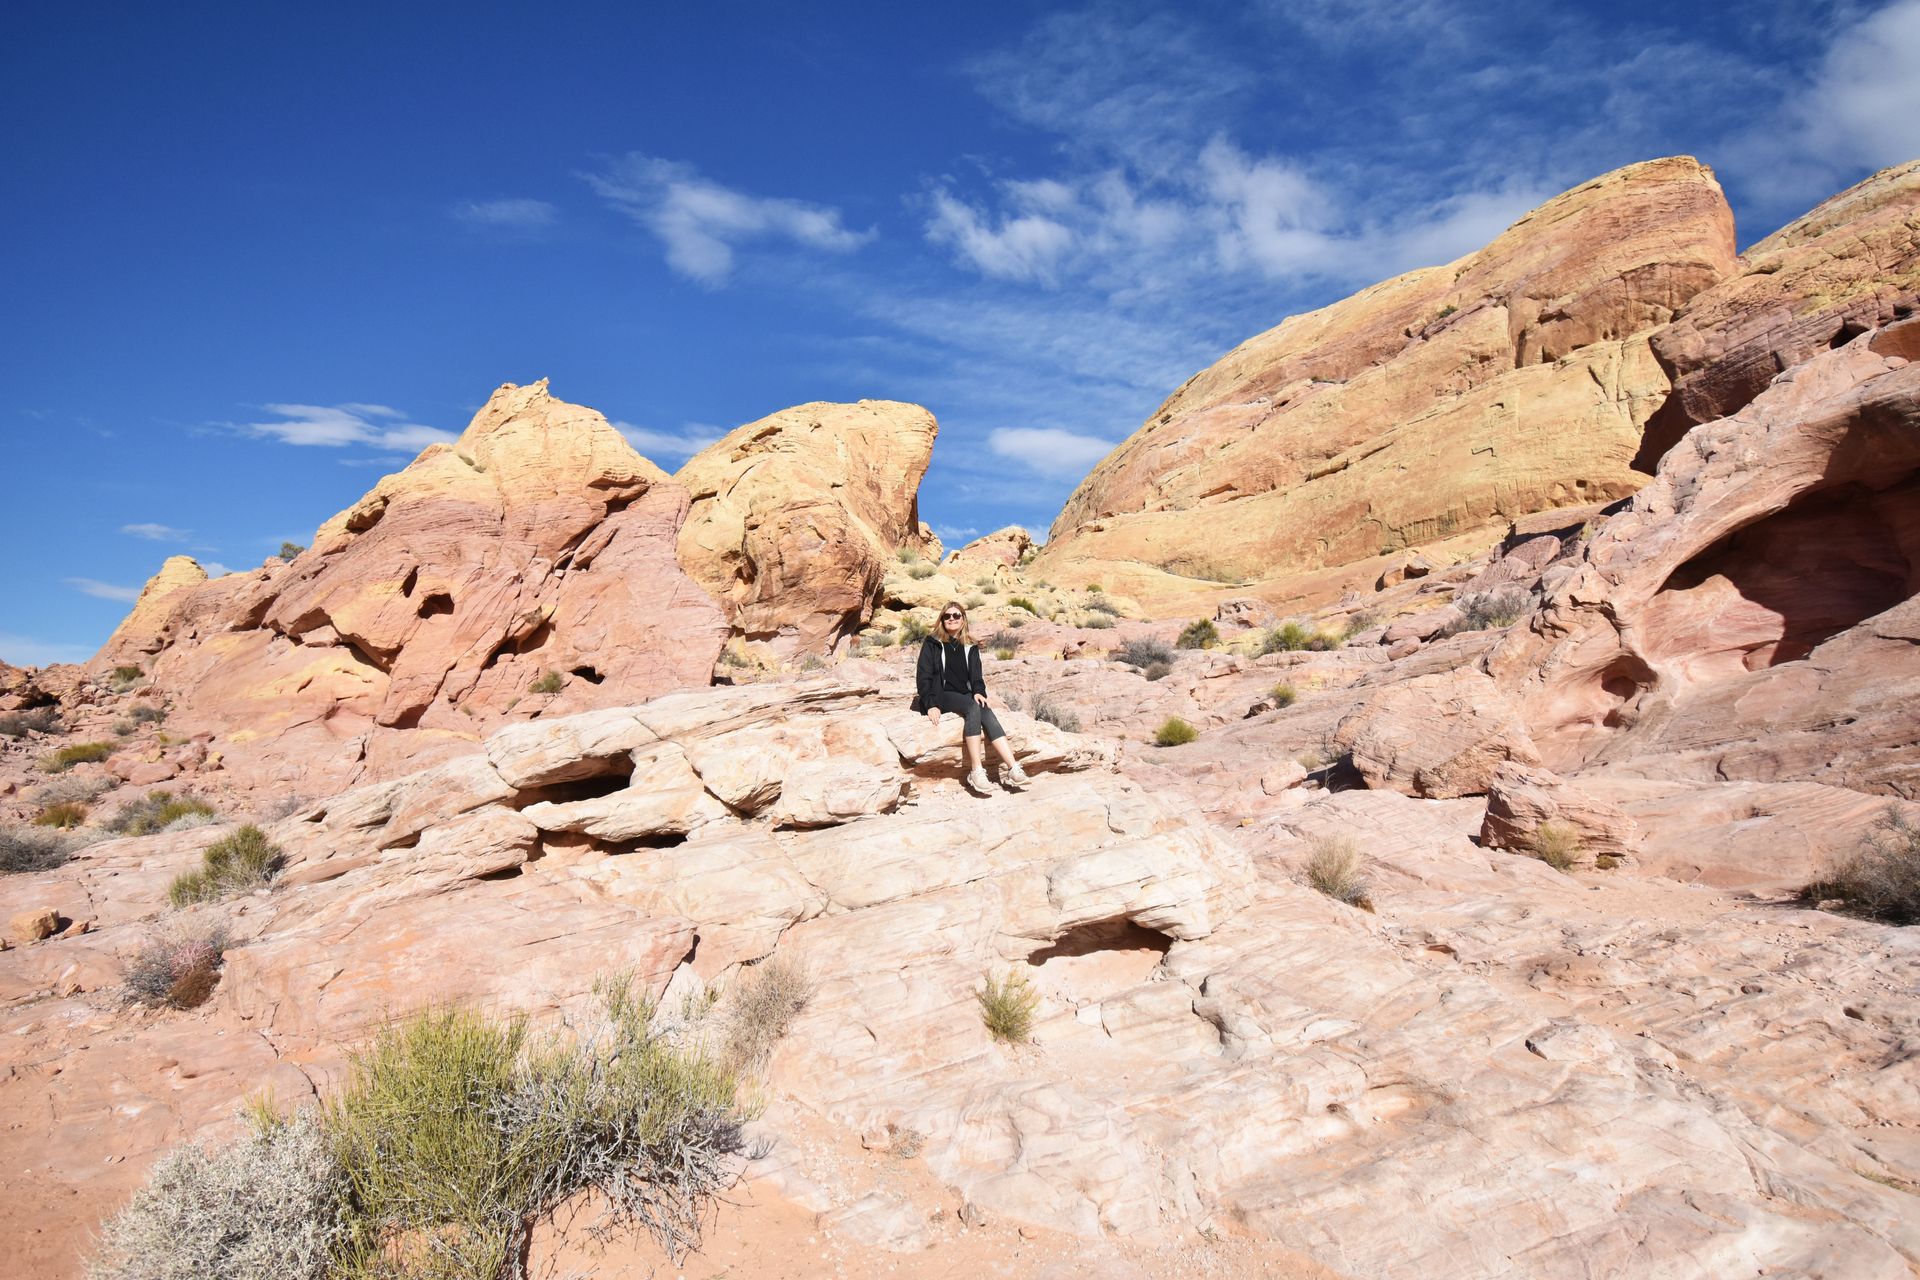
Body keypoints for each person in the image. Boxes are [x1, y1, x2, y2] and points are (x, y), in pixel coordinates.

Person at [916, 601, 1030, 795]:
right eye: (947, 616)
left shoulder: (970, 646)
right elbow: (923, 675)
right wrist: (930, 704)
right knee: (971, 707)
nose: (951, 619)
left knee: (985, 710)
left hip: (964, 694)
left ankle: (1013, 767)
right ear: (942, 620)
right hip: (941, 695)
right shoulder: (932, 642)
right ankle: (976, 771)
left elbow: (977, 677)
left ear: (963, 619)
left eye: (956, 615)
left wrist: (978, 691)